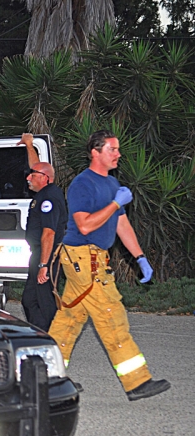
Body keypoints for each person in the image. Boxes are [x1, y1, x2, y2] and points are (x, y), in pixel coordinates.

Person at [48, 130, 170, 401]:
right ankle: (137, 382)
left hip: (92, 259)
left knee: (69, 320)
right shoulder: (83, 184)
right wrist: (116, 203)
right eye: (112, 149)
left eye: (117, 150)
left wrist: (140, 258)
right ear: (95, 152)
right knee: (111, 315)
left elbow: (121, 224)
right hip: (82, 258)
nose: (118, 154)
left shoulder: (112, 184)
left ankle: (47, 379)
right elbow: (84, 224)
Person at [19, 134, 68, 332]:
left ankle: (52, 338)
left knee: (44, 300)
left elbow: (48, 233)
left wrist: (43, 265)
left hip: (47, 256)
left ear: (45, 179)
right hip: (40, 255)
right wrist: (29, 145)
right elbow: (37, 166)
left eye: (33, 175)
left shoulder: (49, 199)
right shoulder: (44, 193)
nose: (28, 177)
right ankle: (40, 334)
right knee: (30, 300)